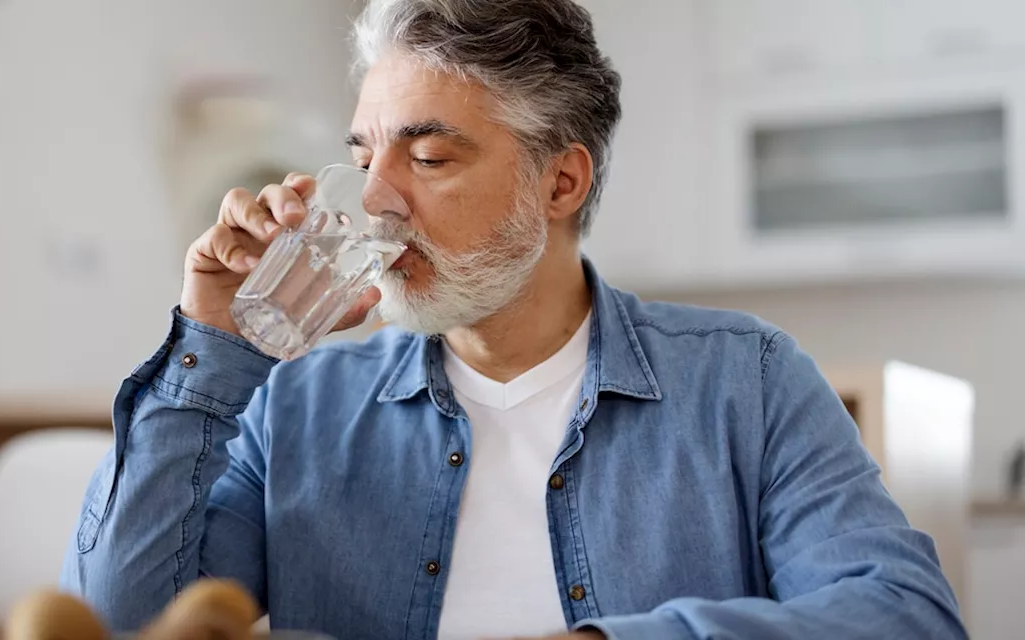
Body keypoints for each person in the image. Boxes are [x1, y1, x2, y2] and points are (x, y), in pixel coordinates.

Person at [60, 1, 966, 638]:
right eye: (364, 155)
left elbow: (905, 614)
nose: (375, 202)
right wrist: (214, 343)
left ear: (561, 182)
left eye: (428, 156)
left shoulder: (749, 382)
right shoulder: (296, 403)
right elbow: (116, 620)